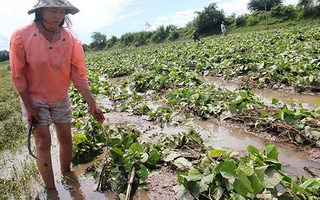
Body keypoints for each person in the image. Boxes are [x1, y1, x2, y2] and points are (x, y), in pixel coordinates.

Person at [9, 0, 105, 191]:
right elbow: (17, 75)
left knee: (66, 138)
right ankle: (52, 190)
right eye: (53, 10)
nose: (58, 16)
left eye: (62, 11)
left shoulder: (69, 40)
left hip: (60, 95)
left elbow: (78, 75)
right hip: (34, 98)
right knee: (43, 142)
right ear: (41, 11)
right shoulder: (22, 36)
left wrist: (92, 104)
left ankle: (67, 175)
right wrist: (28, 107)